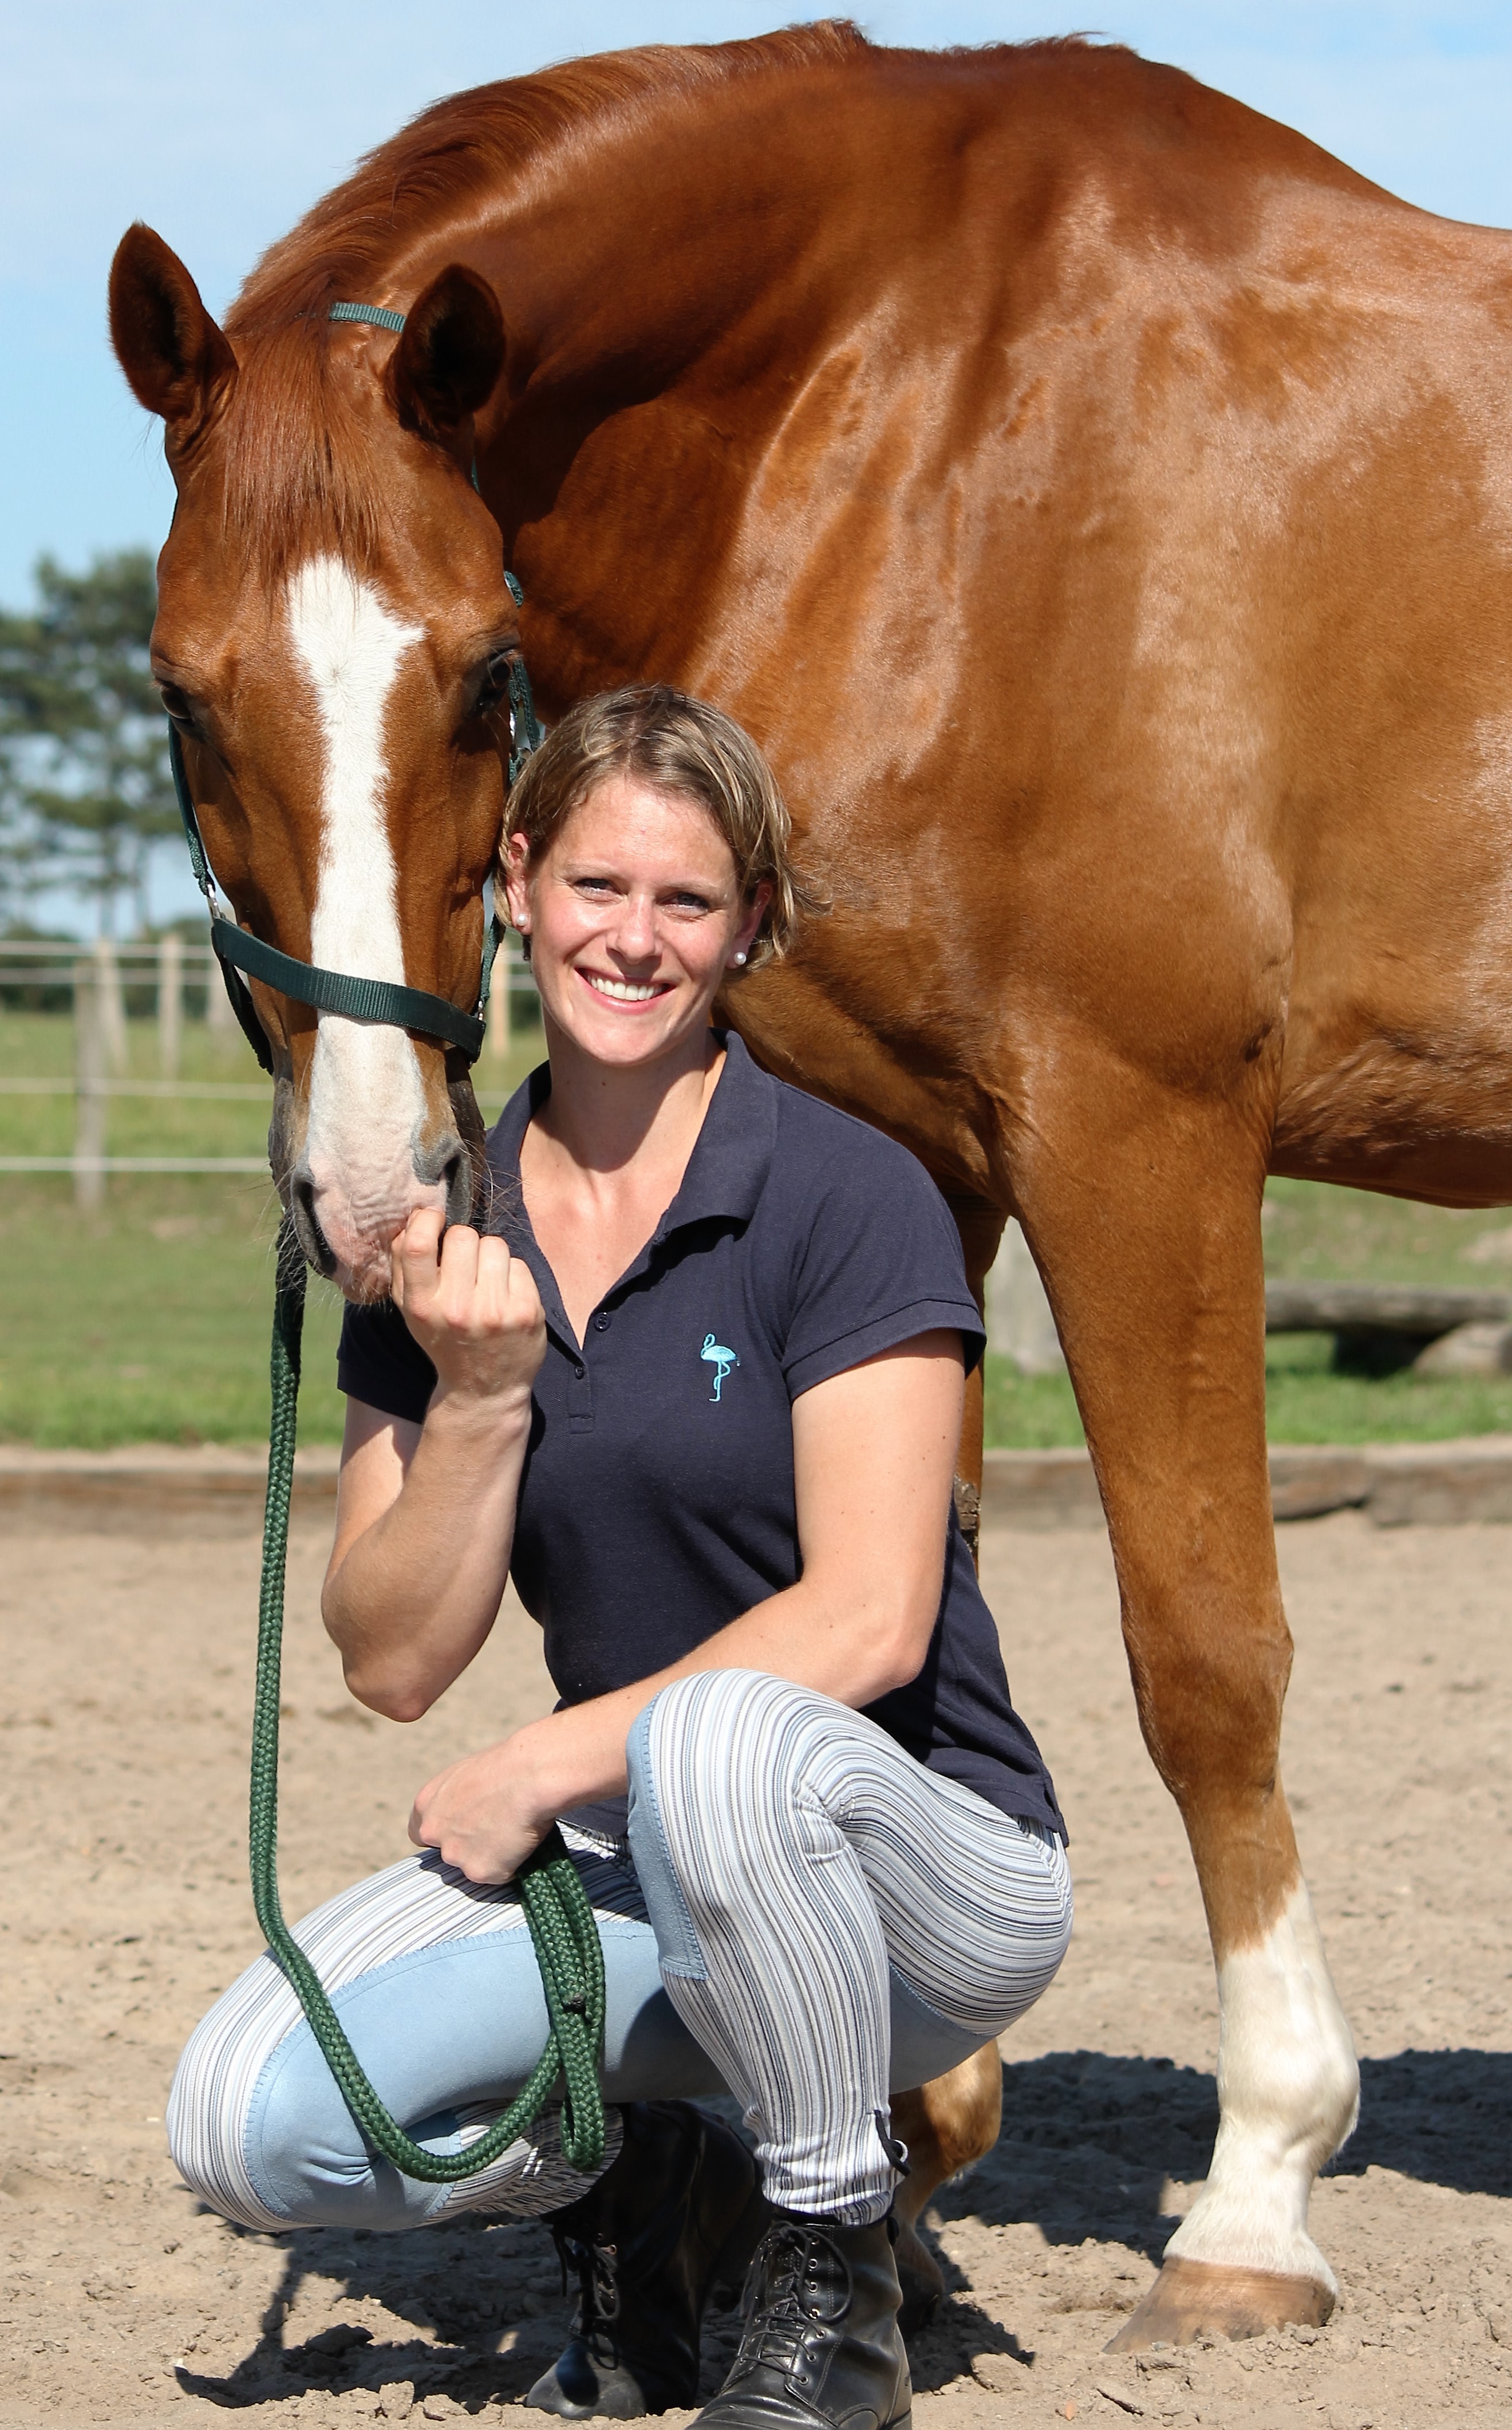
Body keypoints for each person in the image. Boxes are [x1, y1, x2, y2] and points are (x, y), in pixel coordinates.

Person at [169, 686, 1071, 2430]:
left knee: (718, 1740)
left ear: (750, 926)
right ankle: (663, 2188)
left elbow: (873, 1620)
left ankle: (833, 2282)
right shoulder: (444, 1225)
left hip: (927, 1881)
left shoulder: (844, 1190)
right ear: (512, 883)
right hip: (663, 1874)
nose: (632, 940)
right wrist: (485, 1397)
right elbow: (389, 1657)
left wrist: (554, 1760)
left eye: (685, 901)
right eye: (595, 886)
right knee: (251, 2118)